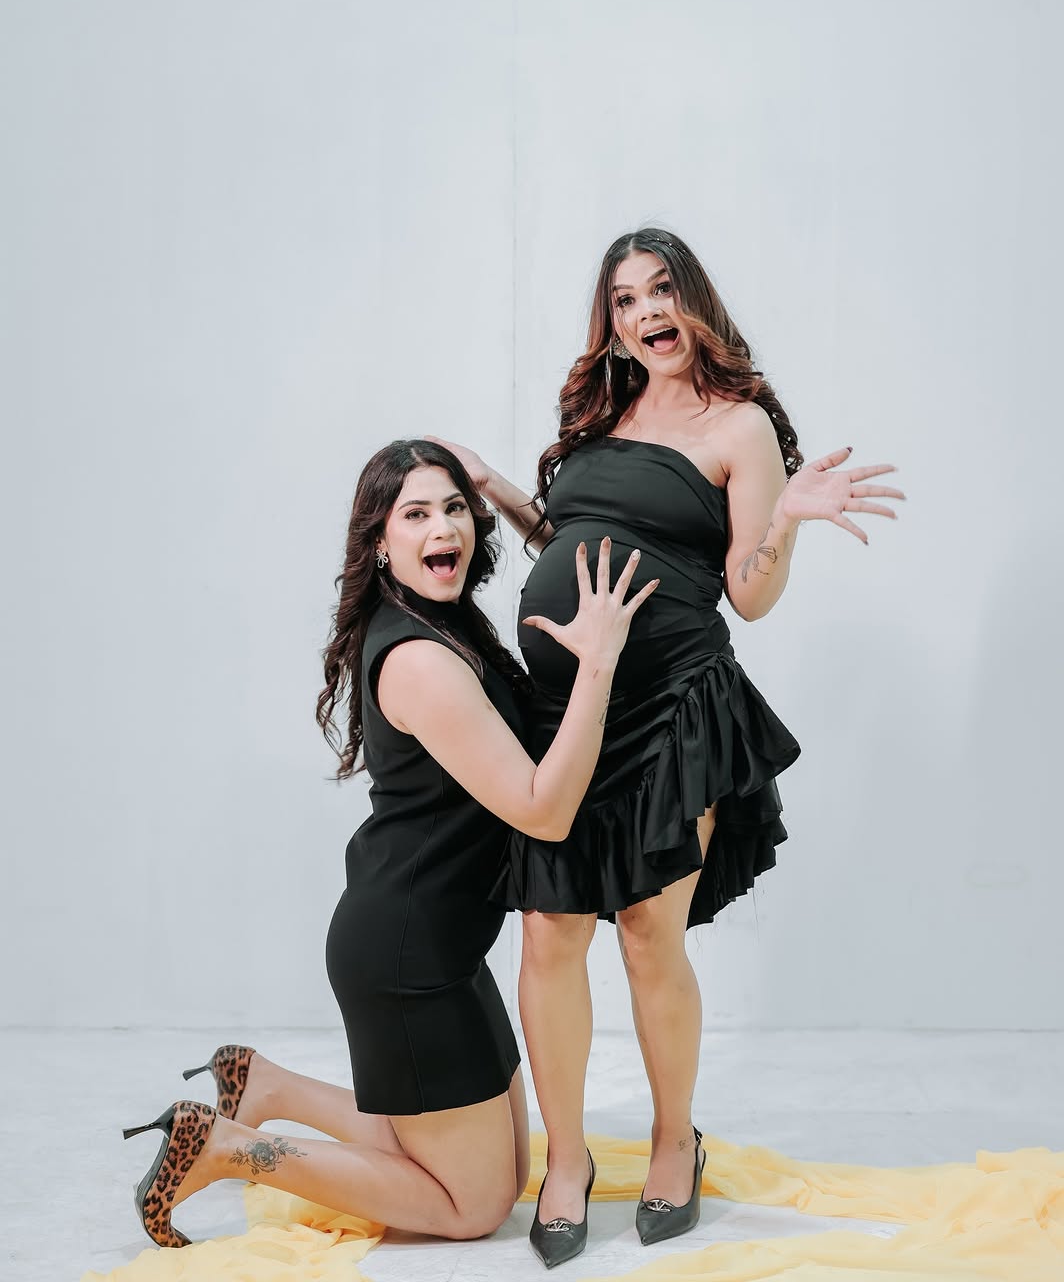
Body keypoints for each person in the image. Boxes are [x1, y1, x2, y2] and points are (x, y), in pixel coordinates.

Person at [432, 227, 904, 1266]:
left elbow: (750, 595)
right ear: (610, 322)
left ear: (692, 300)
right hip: (568, 709)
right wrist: (498, 486)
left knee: (650, 934)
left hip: (670, 705)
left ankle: (671, 1140)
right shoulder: (599, 415)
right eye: (624, 298)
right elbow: (571, 541)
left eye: (660, 290)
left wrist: (789, 518)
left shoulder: (739, 426)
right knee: (549, 933)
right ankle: (565, 1161)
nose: (646, 311)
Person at [120, 438, 657, 1250]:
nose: (443, 528)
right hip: (406, 960)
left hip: (442, 945)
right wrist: (599, 664)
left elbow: (569, 555)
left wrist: (502, 489)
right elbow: (542, 811)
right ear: (380, 540)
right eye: (416, 514)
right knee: (473, 1208)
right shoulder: (418, 660)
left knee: (509, 1169)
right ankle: (227, 1149)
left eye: (454, 508)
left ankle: (264, 1086)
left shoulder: (440, 619)